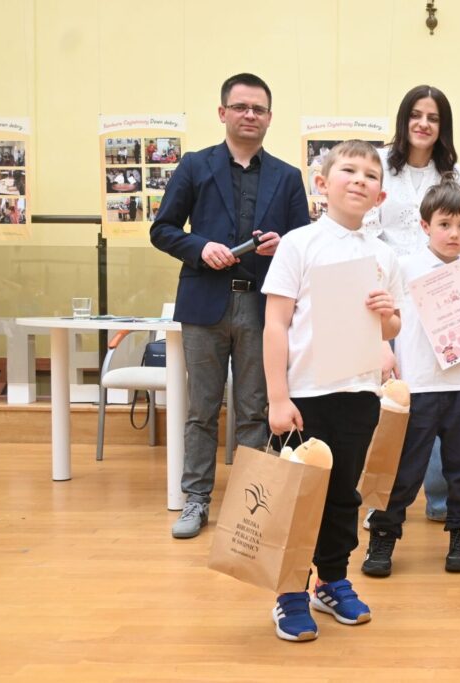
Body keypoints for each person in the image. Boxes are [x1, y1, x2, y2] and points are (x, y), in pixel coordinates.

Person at [150, 72, 308, 539]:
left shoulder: (287, 176)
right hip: (205, 304)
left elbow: (304, 242)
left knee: (256, 409)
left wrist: (283, 245)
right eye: (240, 107)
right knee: (201, 409)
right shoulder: (194, 166)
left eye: (258, 109)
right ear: (223, 113)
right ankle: (196, 500)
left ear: (270, 118)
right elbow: (162, 230)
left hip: (263, 309)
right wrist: (200, 247)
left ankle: (250, 504)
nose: (249, 115)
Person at [263, 140, 402, 641]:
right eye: (349, 170)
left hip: (359, 393)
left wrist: (387, 315)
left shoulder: (384, 254)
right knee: (298, 499)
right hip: (304, 395)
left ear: (380, 197)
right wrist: (278, 398)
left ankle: (332, 580)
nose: (360, 179)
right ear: (322, 184)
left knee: (344, 494)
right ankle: (289, 591)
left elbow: (392, 329)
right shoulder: (299, 244)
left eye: (371, 175)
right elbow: (275, 324)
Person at [362, 176, 460, 578]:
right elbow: (383, 317)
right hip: (418, 386)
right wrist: (383, 349)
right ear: (424, 226)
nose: (454, 234)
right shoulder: (404, 268)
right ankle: (383, 537)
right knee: (404, 470)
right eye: (445, 224)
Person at [362, 84, 460, 526]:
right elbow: (367, 229)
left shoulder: (453, 172)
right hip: (389, 291)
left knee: (438, 394)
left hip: (439, 295)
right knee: (390, 398)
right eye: (416, 115)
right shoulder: (380, 164)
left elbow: (457, 235)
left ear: (443, 126)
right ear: (404, 119)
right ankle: (381, 500)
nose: (424, 124)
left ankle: (440, 498)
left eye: (434, 118)